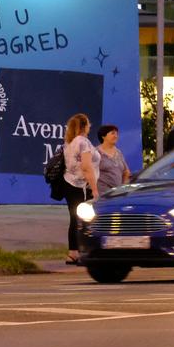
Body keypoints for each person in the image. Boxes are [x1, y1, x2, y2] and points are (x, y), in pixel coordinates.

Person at [62, 113, 101, 265]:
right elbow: (86, 167)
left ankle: (74, 252)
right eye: (88, 124)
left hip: (70, 184)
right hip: (81, 186)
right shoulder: (83, 142)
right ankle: (84, 250)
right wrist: (94, 188)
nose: (90, 126)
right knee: (83, 218)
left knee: (75, 218)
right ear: (84, 126)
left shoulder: (70, 143)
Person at [97, 123, 131, 194]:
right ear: (103, 136)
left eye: (116, 134)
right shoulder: (96, 152)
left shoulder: (118, 152)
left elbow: (126, 172)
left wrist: (123, 187)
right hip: (101, 194)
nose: (116, 136)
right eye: (113, 133)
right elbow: (89, 171)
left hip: (117, 193)